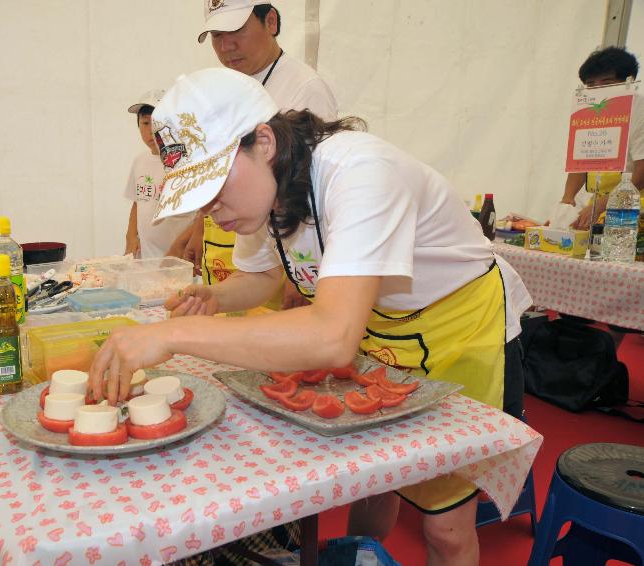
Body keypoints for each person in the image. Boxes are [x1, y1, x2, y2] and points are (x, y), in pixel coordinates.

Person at [90, 68, 532, 566]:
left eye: (213, 183)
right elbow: (266, 280)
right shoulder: (261, 195)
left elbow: (331, 336)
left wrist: (174, 335)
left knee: (446, 527)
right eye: (197, 196)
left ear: (263, 141)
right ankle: (365, 557)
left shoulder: (359, 171)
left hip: (458, 326)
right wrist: (216, 299)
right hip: (375, 324)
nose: (210, 208)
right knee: (375, 481)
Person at [186, 0, 338, 309]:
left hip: (286, 251)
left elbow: (312, 191)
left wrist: (302, 276)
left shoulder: (304, 87)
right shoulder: (225, 87)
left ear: (270, 22)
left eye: (237, 30)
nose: (226, 45)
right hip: (237, 243)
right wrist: (197, 229)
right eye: (216, 35)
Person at [560, 47, 643, 230]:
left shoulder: (639, 110)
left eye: (607, 81)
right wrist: (567, 201)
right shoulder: (588, 111)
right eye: (591, 84)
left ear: (628, 79)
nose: (598, 89)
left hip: (633, 208)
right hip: (598, 204)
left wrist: (600, 205)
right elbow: (580, 162)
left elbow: (642, 170)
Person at [123, 89, 195, 258]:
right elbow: (138, 201)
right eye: (146, 123)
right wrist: (131, 236)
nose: (151, 130)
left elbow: (203, 215)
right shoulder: (140, 161)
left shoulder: (187, 162)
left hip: (180, 257)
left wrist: (185, 245)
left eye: (159, 122)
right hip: (146, 257)